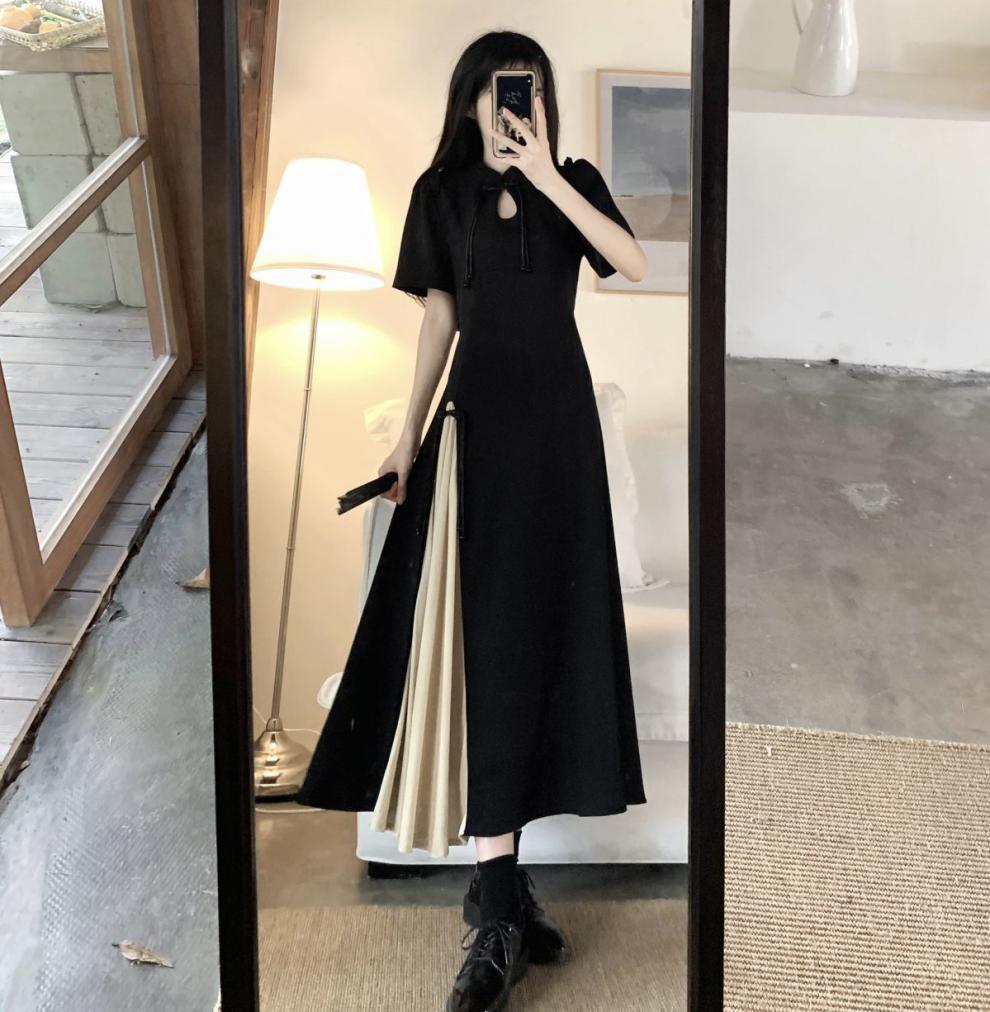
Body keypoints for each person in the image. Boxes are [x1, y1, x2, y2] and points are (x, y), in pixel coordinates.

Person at [296, 29, 650, 1012]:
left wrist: (547, 176)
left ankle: (506, 897)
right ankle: (499, 915)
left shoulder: (572, 181)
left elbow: (631, 260)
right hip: (478, 442)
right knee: (487, 651)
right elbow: (439, 323)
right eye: (497, 91)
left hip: (561, 447)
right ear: (467, 101)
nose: (511, 106)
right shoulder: (440, 194)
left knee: (542, 645)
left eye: (526, 89)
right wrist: (405, 438)